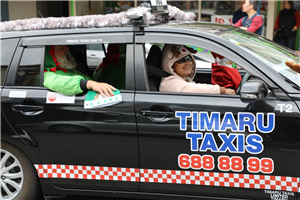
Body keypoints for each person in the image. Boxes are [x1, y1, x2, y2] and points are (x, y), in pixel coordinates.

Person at [159, 44, 236, 95]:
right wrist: (222, 91)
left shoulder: (183, 80)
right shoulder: (169, 82)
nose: (188, 62)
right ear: (170, 64)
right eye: (181, 60)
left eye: (189, 58)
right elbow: (190, 89)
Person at [44, 45, 116, 97]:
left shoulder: (69, 70)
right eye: (61, 48)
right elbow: (57, 82)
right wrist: (90, 84)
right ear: (50, 55)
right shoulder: (47, 74)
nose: (67, 48)